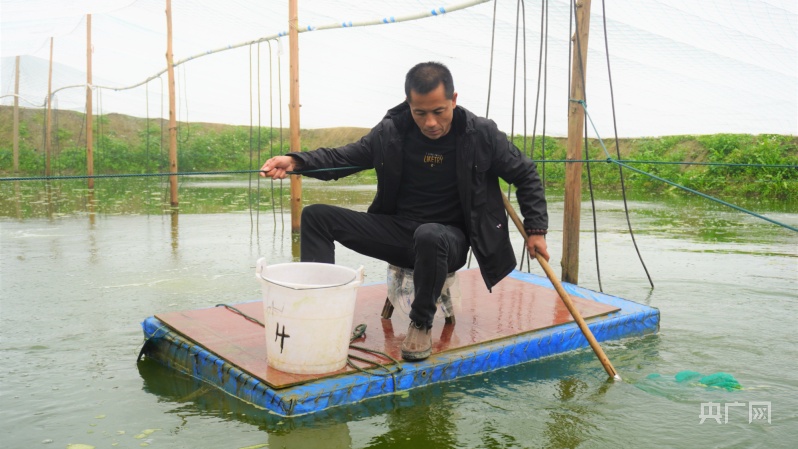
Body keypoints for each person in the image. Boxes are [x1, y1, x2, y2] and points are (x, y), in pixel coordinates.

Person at [260, 61, 548, 361]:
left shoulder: (481, 134)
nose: (431, 122)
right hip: (397, 233)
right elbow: (343, 158)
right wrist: (295, 162)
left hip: (449, 241)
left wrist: (536, 230)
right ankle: (321, 314)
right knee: (317, 217)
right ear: (408, 104)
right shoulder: (391, 132)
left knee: (430, 235)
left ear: (454, 100)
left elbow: (526, 174)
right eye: (420, 112)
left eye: (439, 111)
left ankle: (421, 323)